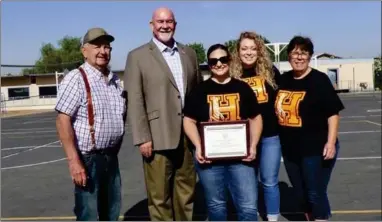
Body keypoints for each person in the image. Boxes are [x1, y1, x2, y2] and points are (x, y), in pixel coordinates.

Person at [124, 7, 202, 221]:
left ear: (175, 25)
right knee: (159, 198)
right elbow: (136, 100)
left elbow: (197, 94)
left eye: (169, 21)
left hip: (187, 136)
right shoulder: (137, 56)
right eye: (160, 21)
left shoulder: (190, 54)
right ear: (152, 25)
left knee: (186, 194)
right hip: (157, 138)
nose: (165, 25)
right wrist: (143, 137)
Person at [183, 43, 263, 221]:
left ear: (230, 60)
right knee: (216, 206)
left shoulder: (243, 88)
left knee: (248, 207)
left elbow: (256, 118)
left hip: (241, 159)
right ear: (209, 64)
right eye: (213, 61)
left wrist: (253, 145)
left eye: (223, 59)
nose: (219, 64)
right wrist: (198, 146)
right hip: (210, 160)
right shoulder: (199, 90)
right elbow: (188, 120)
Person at [55, 27, 126, 221]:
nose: (103, 51)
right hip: (88, 160)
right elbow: (63, 120)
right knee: (88, 214)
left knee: (111, 213)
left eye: (107, 47)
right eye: (96, 46)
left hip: (110, 158)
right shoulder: (76, 79)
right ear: (84, 51)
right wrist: (74, 162)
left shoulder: (114, 81)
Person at [275, 36, 345, 221]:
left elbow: (333, 113)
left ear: (310, 56)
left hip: (316, 148)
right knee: (301, 194)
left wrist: (330, 142)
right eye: (295, 53)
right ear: (288, 56)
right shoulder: (283, 80)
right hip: (291, 150)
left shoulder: (319, 80)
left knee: (315, 192)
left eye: (304, 53)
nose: (299, 57)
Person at [230, 31, 282, 221]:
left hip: (270, 136)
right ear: (238, 51)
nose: (249, 52)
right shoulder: (230, 74)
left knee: (269, 181)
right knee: (245, 183)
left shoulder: (271, 72)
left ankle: (272, 218)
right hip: (242, 138)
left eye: (253, 48)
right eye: (244, 48)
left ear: (259, 51)